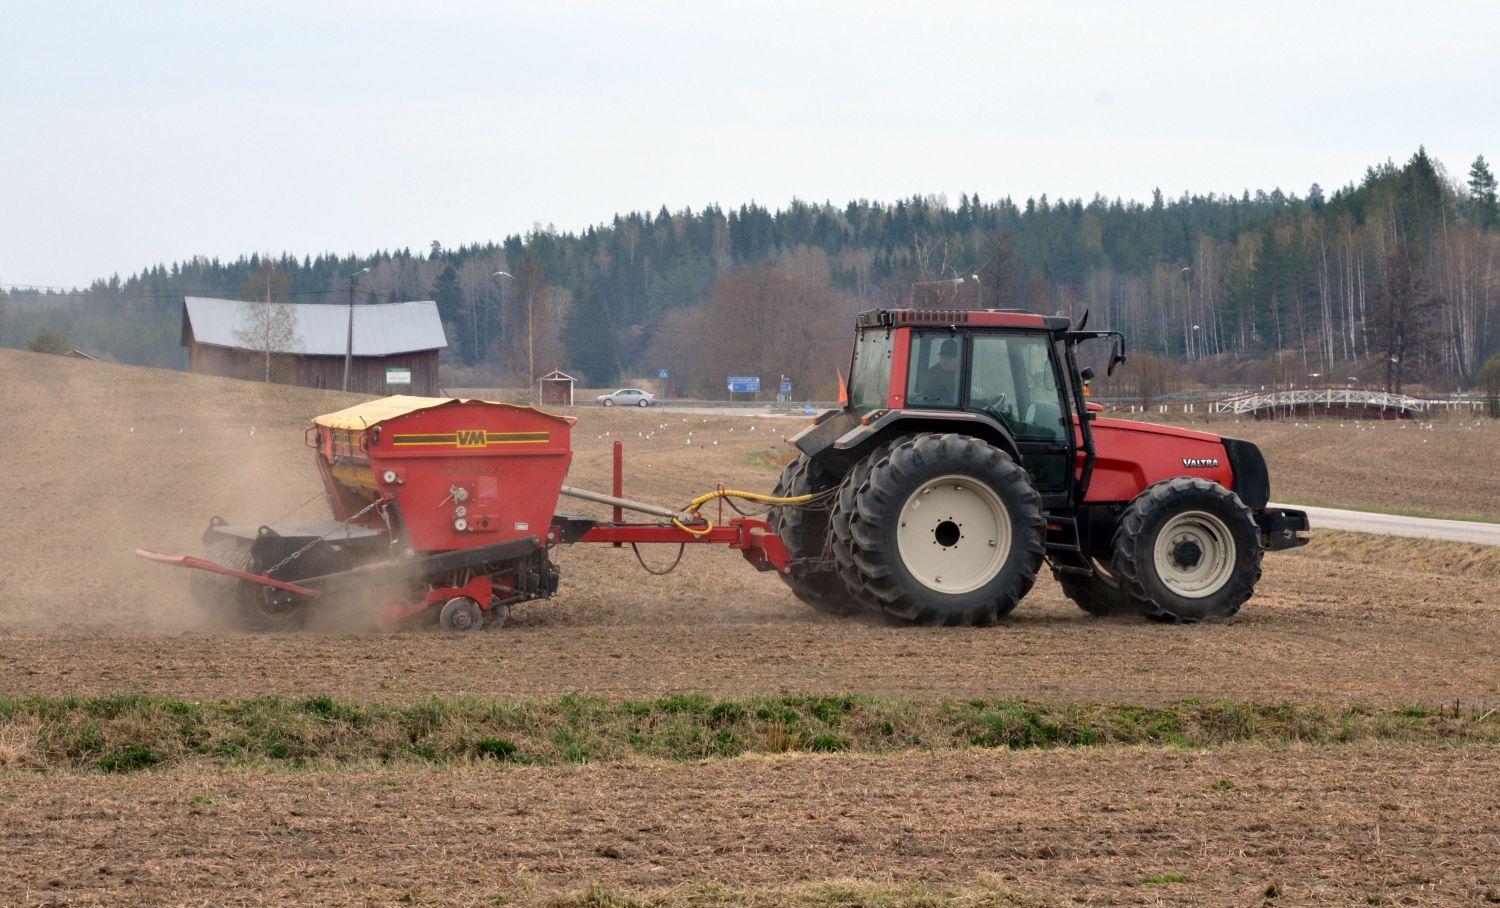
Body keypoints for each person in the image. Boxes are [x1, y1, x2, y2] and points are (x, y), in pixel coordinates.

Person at [915, 337, 961, 404]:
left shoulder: (961, 374)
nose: (945, 361)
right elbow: (924, 397)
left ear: (957, 358)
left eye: (950, 357)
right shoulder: (931, 374)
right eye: (943, 357)